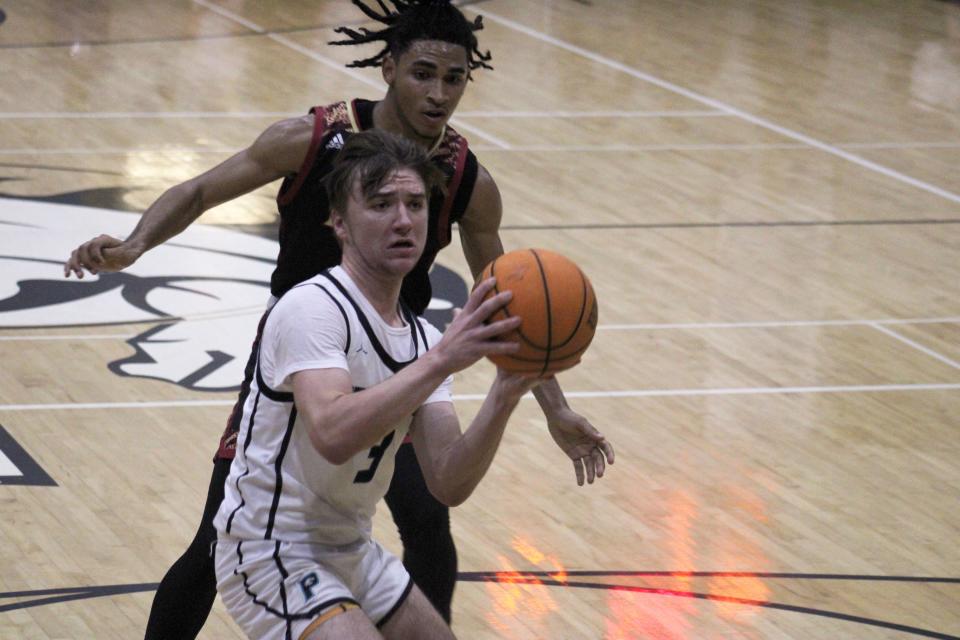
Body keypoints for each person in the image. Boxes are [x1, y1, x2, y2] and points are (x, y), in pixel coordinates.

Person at [63, 1, 614, 637]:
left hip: (393, 356)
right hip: (301, 349)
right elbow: (197, 191)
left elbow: (507, 306)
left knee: (429, 519)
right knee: (215, 540)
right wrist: (134, 244)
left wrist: (552, 404)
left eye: (454, 79)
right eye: (423, 74)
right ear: (388, 68)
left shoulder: (465, 179)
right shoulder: (315, 137)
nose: (439, 94)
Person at [215, 127, 538, 639]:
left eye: (416, 204)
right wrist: (442, 361)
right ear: (339, 223)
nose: (404, 220)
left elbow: (449, 481)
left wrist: (504, 395)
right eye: (383, 204)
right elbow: (334, 435)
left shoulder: (422, 338)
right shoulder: (313, 308)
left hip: (352, 550)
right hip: (271, 549)